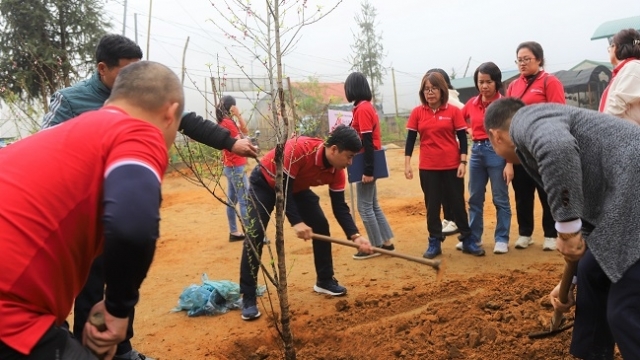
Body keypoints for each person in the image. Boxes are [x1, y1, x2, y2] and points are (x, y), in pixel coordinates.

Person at [40, 34, 257, 360]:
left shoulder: (141, 96)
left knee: (122, 281)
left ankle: (121, 348)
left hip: (117, 205)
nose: (133, 78)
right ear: (103, 68)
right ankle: (92, 352)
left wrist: (230, 142)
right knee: (86, 289)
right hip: (81, 213)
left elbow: (188, 122)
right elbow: (45, 149)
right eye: (126, 71)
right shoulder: (71, 101)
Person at [0, 61, 182, 359]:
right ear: (170, 113)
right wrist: (117, 310)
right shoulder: (136, 131)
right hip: (10, 311)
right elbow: (132, 228)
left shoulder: (67, 134)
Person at [484, 97, 640, 360]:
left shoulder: (527, 122)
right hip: (624, 197)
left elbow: (557, 148)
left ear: (495, 136)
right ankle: (592, 353)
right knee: (590, 269)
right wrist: (568, 282)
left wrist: (567, 228)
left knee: (624, 311)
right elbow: (590, 223)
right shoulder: (543, 120)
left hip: (633, 196)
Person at [239, 125, 374, 320]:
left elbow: (340, 207)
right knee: (255, 234)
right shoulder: (299, 150)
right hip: (265, 183)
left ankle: (325, 280)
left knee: (320, 225)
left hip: (296, 189)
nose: (351, 162)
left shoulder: (337, 171)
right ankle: (248, 297)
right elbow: (283, 189)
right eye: (350, 156)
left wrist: (356, 236)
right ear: (334, 149)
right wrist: (297, 222)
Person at [404, 71, 484, 258]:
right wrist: (407, 164)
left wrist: (463, 162)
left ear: (442, 90)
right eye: (426, 89)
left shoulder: (453, 111)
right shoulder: (417, 113)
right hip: (428, 167)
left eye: (434, 89)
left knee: (457, 204)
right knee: (432, 206)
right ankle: (434, 241)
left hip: (451, 165)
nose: (430, 93)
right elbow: (410, 140)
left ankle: (467, 239)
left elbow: (463, 140)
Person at [505, 41, 565, 252]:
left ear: (539, 59)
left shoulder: (550, 81)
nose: (522, 63)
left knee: (547, 192)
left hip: (543, 148)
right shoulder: (513, 86)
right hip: (520, 149)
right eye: (519, 60)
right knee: (522, 192)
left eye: (526, 59)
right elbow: (509, 118)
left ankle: (550, 234)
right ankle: (525, 233)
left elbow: (558, 113)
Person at [459, 62, 512, 254]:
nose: (484, 86)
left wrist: (509, 164)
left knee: (500, 198)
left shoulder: (504, 105)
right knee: (474, 197)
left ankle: (502, 238)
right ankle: (474, 237)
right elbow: (459, 119)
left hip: (497, 151)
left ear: (496, 82)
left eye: (488, 82)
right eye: (481, 82)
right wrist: (469, 129)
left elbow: (511, 136)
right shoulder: (472, 104)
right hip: (477, 153)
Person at [344, 72, 395, 259]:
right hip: (366, 162)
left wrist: (368, 170)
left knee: (364, 207)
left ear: (352, 89)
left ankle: (375, 245)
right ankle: (386, 243)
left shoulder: (363, 109)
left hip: (365, 162)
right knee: (372, 205)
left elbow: (367, 140)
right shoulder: (363, 107)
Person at [426, 68, 464, 237]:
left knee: (452, 192)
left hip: (451, 154)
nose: (431, 88)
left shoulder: (452, 102)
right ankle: (449, 218)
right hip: (437, 156)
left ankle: (456, 220)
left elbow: (464, 123)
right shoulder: (438, 101)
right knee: (441, 191)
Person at [216, 95, 251, 242]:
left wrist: (237, 116)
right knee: (244, 201)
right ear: (231, 107)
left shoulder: (222, 122)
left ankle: (234, 232)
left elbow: (244, 131)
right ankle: (252, 236)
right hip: (236, 165)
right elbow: (244, 135)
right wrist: (238, 115)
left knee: (232, 201)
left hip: (230, 165)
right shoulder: (228, 123)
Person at [600, 28, 640, 124]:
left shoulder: (632, 68)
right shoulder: (627, 69)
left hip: (625, 135)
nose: (609, 50)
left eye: (611, 46)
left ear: (617, 47)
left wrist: (602, 128)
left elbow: (616, 105)